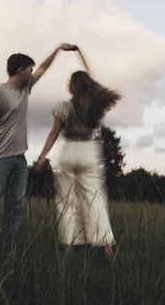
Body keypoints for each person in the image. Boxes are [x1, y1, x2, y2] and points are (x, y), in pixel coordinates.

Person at [0, 43, 77, 259]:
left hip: (18, 161)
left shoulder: (26, 89)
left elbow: (44, 67)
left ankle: (9, 251)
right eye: (29, 70)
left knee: (15, 207)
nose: (32, 73)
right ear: (19, 70)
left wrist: (59, 49)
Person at [35, 56, 121, 260]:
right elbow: (96, 83)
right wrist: (81, 53)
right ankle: (106, 248)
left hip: (68, 152)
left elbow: (53, 134)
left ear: (73, 86)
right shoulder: (97, 105)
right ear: (89, 84)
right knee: (95, 201)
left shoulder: (63, 107)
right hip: (90, 153)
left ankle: (69, 249)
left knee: (67, 202)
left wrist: (41, 157)